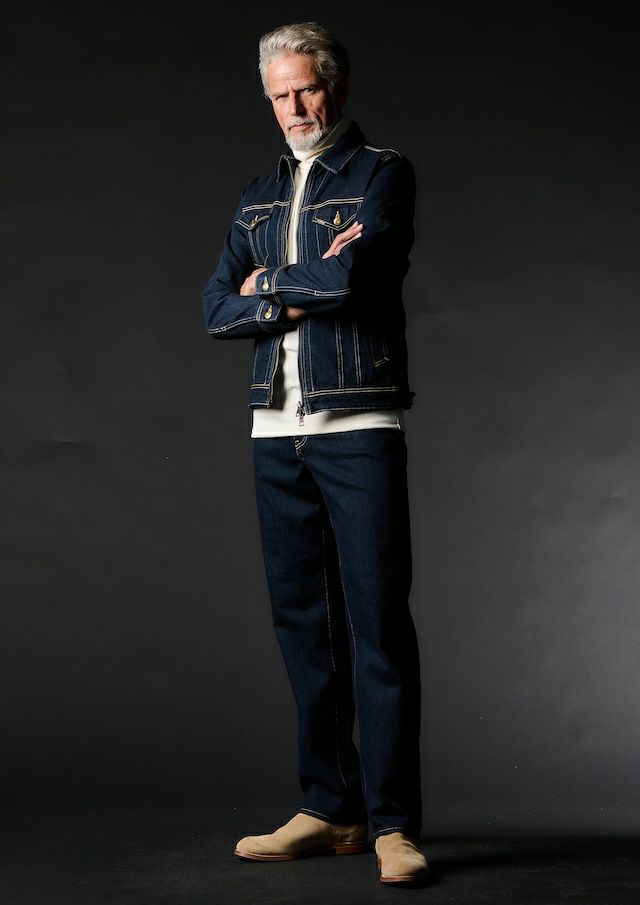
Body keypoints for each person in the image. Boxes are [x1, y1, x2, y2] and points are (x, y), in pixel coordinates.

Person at [202, 21, 430, 887]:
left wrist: (267, 285)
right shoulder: (258, 192)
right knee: (303, 624)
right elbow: (214, 307)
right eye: (280, 95)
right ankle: (332, 807)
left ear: (335, 84)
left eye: (307, 88)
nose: (295, 107)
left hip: (358, 420)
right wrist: (294, 287)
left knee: (377, 624)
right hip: (275, 425)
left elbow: (357, 277)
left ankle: (395, 824)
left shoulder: (381, 174)